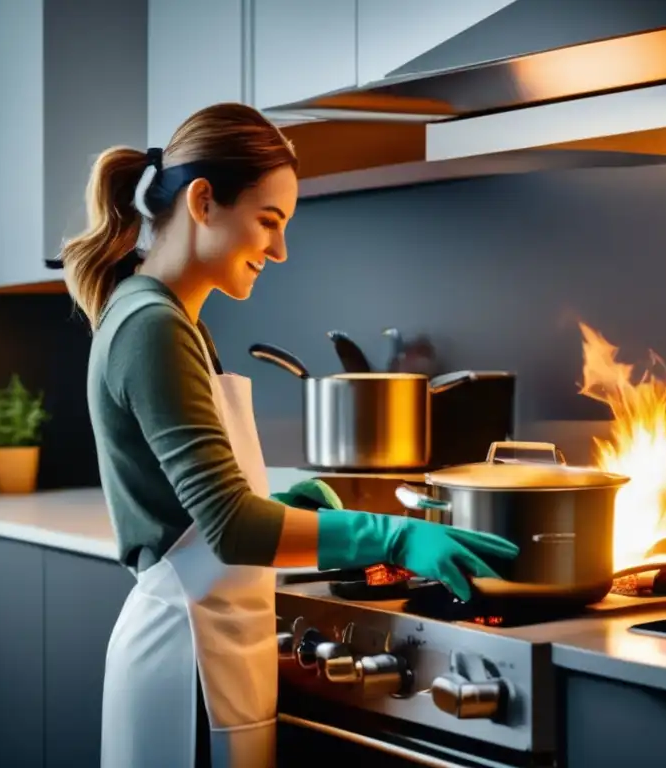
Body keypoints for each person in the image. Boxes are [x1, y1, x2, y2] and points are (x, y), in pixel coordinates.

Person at [56, 102, 520, 768]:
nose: (279, 250)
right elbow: (232, 530)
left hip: (210, 650)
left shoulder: (167, 319)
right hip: (186, 659)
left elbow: (197, 507)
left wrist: (282, 502)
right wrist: (391, 536)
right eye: (268, 222)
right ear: (204, 201)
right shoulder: (152, 326)